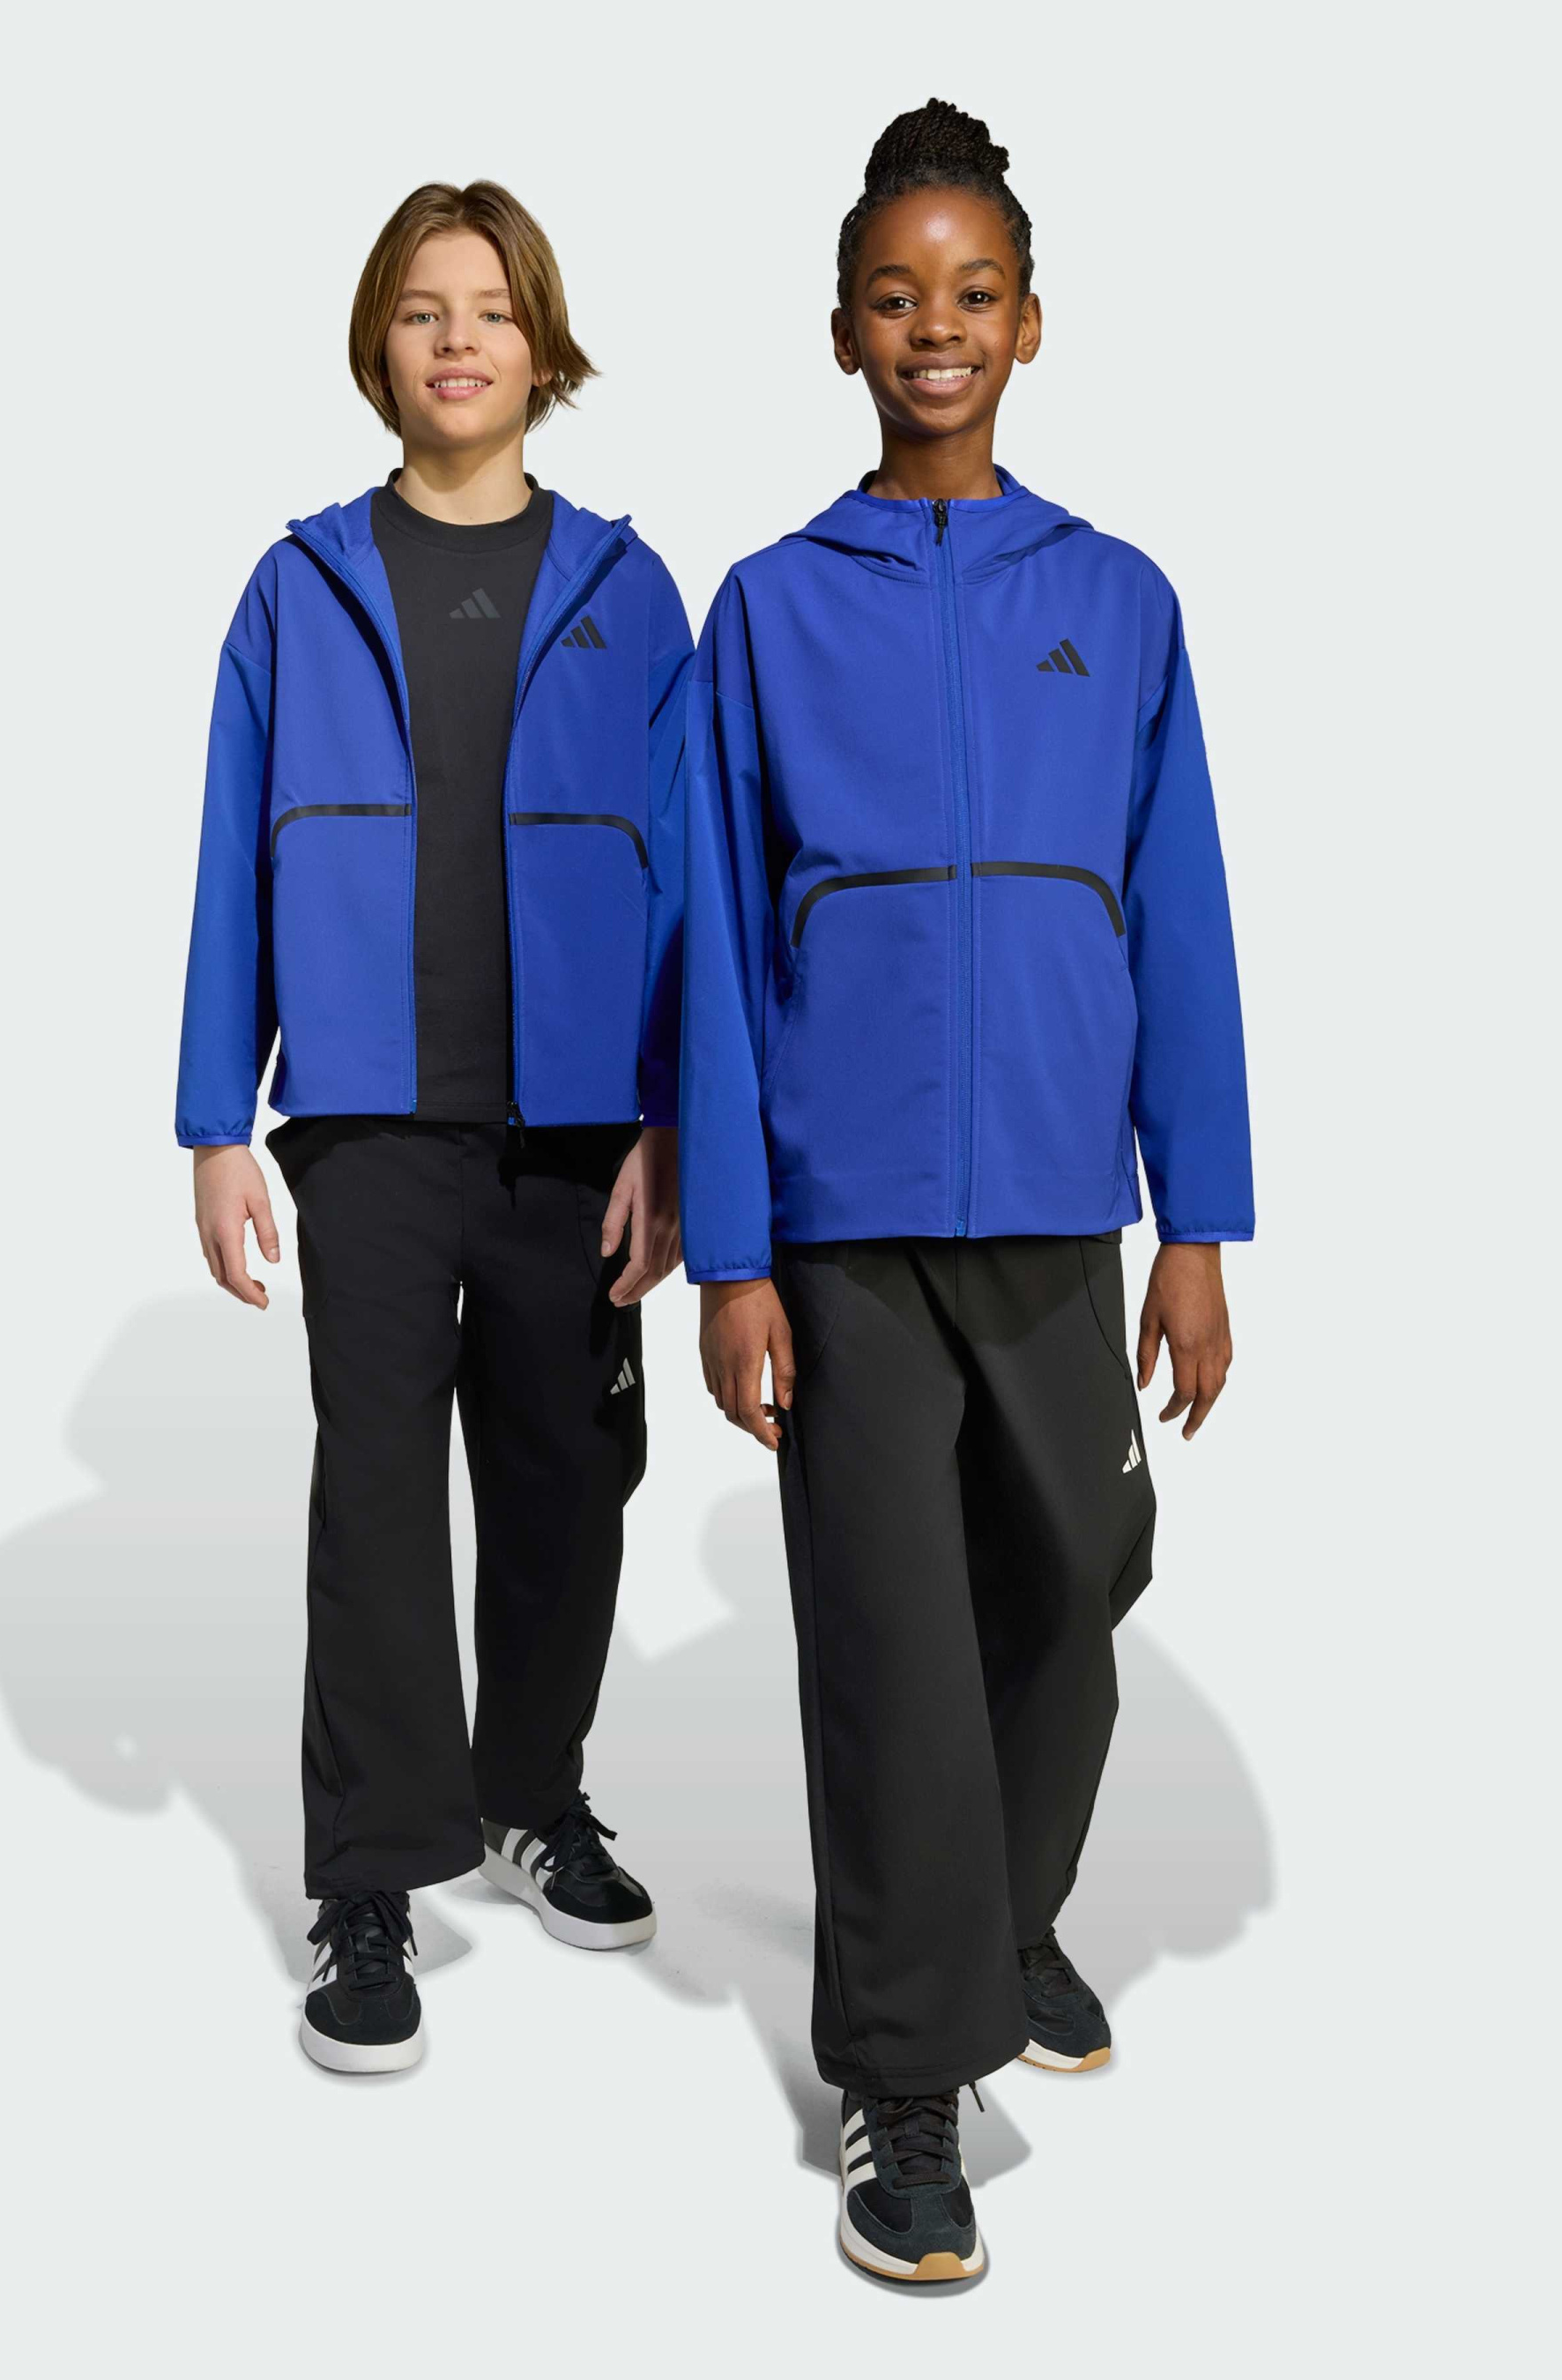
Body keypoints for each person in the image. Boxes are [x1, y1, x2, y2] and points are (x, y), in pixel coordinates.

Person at [680, 100, 1252, 2282]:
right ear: (842, 332)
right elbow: (716, 951)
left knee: (1076, 1576)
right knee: (890, 1648)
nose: (935, 325)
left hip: (1052, 1207)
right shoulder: (766, 609)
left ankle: (1002, 1911)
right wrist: (732, 1255)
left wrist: (1195, 1225)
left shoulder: (1113, 601)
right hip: (839, 1224)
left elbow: (1178, 923)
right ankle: (904, 2077)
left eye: (972, 290)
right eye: (895, 295)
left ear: (1027, 323)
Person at [176, 180, 691, 2074]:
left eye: (488, 307)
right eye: (419, 309)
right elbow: (228, 856)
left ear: (540, 347)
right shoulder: (298, 586)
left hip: (578, 1131)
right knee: (378, 1496)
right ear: (376, 348)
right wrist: (213, 1120)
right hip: (369, 1125)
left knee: (570, 1475)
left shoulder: (630, 591)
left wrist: (676, 1125)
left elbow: (692, 884)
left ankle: (531, 1793)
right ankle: (373, 1871)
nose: (455, 338)